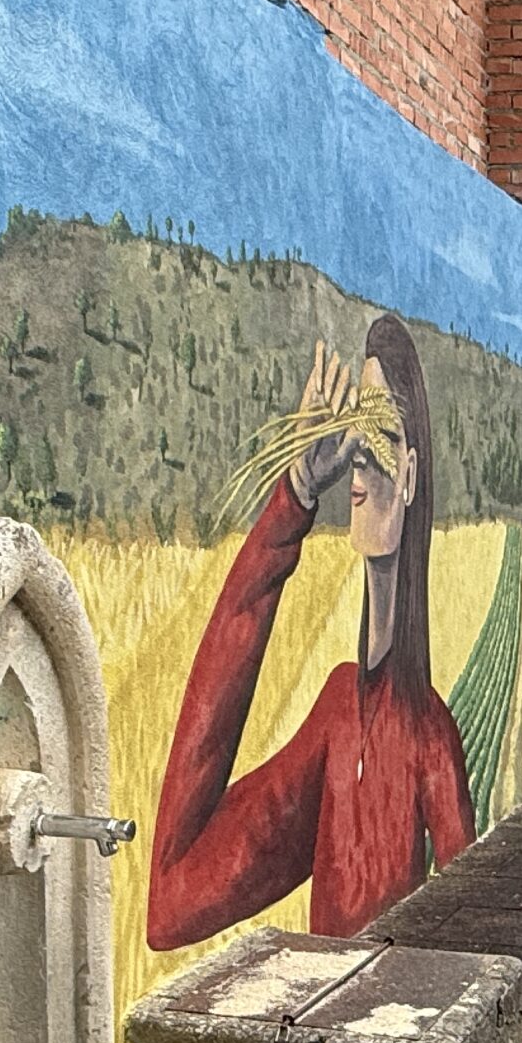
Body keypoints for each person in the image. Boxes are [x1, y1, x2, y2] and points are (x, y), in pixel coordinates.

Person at [148, 316, 475, 949]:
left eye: (378, 438)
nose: (356, 470)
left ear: (409, 473)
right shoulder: (338, 712)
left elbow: (467, 938)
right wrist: (293, 495)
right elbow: (174, 901)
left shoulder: (429, 734)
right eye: (351, 439)